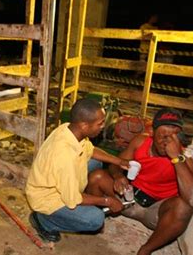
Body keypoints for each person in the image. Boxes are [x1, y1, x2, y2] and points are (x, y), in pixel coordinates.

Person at [87, 108, 193, 255]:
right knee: (97, 177)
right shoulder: (140, 142)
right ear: (152, 132)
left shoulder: (184, 157)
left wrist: (175, 157)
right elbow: (116, 164)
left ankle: (145, 252)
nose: (167, 141)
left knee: (183, 207)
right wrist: (119, 176)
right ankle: (96, 220)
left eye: (173, 136)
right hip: (129, 199)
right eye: (163, 135)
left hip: (155, 212)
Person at [26, 98, 130, 244]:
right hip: (47, 198)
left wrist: (119, 161)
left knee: (96, 162)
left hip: (61, 179)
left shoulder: (70, 130)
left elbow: (91, 150)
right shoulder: (64, 154)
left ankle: (85, 199)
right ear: (84, 125)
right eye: (100, 123)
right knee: (95, 220)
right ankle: (43, 221)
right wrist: (106, 201)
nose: (103, 126)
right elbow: (73, 199)